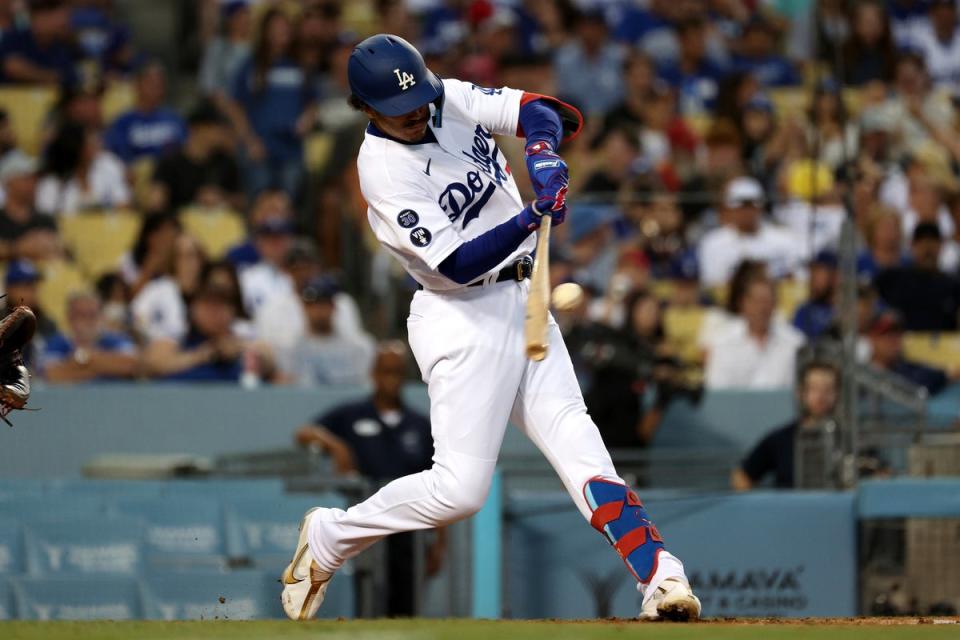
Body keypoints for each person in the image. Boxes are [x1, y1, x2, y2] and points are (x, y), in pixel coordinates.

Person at [280, 34, 700, 623]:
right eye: (401, 112)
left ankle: (662, 578)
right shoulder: (382, 171)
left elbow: (539, 110)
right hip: (460, 315)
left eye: (421, 100)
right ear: (367, 110)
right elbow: (456, 263)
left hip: (523, 297)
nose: (419, 114)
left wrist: (543, 153)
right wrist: (533, 212)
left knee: (582, 449)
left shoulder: (442, 97)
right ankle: (332, 536)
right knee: (459, 492)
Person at [294, 343, 445, 616]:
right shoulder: (352, 415)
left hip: (408, 530)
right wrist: (337, 446)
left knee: (407, 603)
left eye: (398, 372)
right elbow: (304, 433)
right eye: (386, 371)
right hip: (365, 525)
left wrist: (439, 542)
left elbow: (440, 482)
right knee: (366, 596)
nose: (391, 379)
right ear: (374, 374)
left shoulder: (419, 425)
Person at [223, 8, 317, 200]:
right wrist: (249, 141)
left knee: (288, 203)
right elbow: (234, 106)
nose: (281, 33)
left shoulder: (300, 65)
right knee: (260, 201)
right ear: (265, 32)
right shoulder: (251, 65)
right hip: (259, 148)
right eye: (275, 28)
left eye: (284, 28)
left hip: (291, 149)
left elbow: (312, 102)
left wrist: (306, 120)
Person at [731, 361, 840, 491]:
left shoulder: (851, 440)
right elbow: (742, 476)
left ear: (838, 394)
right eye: (814, 389)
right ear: (800, 393)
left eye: (828, 390)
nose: (821, 397)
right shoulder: (781, 439)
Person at [697, 176, 802, 287]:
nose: (746, 212)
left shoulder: (784, 240)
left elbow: (798, 279)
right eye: (741, 207)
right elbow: (713, 284)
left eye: (751, 206)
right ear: (730, 209)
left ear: (760, 207)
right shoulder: (713, 243)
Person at [704, 275, 805, 390]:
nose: (762, 308)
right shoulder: (722, 344)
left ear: (775, 304)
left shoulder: (795, 343)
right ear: (743, 303)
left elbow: (801, 393)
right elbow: (717, 394)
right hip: (735, 407)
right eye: (756, 301)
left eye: (767, 301)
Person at [149, 101, 242, 213]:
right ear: (196, 129)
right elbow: (156, 202)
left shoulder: (225, 162)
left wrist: (223, 198)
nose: (220, 132)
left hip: (217, 224)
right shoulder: (170, 163)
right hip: (180, 224)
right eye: (213, 127)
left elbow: (241, 202)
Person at [279, 277, 374, 386]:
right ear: (303, 307)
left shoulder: (359, 347)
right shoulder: (290, 348)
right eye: (312, 304)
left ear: (334, 306)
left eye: (324, 303)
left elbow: (367, 386)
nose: (318, 310)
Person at [875, 222, 960, 331]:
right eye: (922, 243)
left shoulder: (952, 286)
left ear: (941, 246)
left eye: (933, 242)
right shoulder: (893, 278)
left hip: (944, 346)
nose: (928, 249)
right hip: (900, 345)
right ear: (912, 246)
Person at [35, 120, 130, 216]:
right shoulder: (51, 184)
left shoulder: (109, 164)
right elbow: (47, 219)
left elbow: (124, 203)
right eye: (90, 141)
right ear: (75, 147)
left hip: (109, 228)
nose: (97, 144)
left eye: (96, 139)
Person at [42, 290, 139, 383]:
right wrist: (107, 367)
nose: (88, 321)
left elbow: (134, 365)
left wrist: (85, 359)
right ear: (69, 317)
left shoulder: (115, 339)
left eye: (92, 315)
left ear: (101, 316)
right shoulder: (58, 343)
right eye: (81, 315)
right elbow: (53, 375)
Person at [104, 61, 187, 164]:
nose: (155, 87)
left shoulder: (174, 120)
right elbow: (116, 157)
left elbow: (185, 153)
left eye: (160, 83)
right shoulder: (123, 122)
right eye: (150, 82)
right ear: (137, 85)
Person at [866, 311, 955, 394]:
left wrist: (948, 374)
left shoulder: (908, 370)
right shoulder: (858, 371)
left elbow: (934, 377)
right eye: (886, 334)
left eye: (897, 334)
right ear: (871, 337)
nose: (893, 340)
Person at [0, 0, 78, 86]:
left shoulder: (63, 46)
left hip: (53, 98)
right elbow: (13, 68)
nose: (65, 22)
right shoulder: (14, 37)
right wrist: (49, 77)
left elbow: (70, 78)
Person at [0, 151, 60, 262]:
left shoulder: (45, 219)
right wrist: (18, 248)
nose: (34, 183)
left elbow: (58, 252)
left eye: (35, 178)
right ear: (8, 182)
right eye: (26, 178)